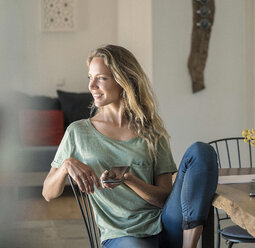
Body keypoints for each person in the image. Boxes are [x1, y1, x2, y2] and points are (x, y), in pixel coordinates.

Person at [42, 44, 218, 248]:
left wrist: (130, 180)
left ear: (123, 80)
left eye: (101, 78)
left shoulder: (151, 131)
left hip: (168, 225)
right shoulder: (78, 132)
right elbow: (48, 193)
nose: (92, 86)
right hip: (122, 236)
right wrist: (66, 165)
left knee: (201, 151)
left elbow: (164, 199)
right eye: (90, 77)